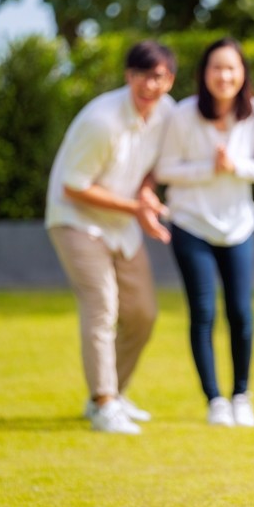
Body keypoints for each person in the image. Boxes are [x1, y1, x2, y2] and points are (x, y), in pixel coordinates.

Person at [45, 40, 177, 435]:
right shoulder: (101, 121)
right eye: (139, 74)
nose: (147, 84)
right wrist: (136, 210)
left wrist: (147, 194)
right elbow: (73, 186)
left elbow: (152, 169)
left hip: (121, 223)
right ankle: (103, 403)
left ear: (169, 80)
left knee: (142, 313)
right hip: (75, 220)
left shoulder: (166, 114)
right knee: (102, 305)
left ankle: (111, 394)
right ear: (127, 76)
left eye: (156, 76)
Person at [155, 37, 254, 427]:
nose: (224, 75)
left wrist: (236, 167)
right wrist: (207, 169)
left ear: (242, 73)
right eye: (216, 67)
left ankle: (241, 395)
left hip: (237, 226)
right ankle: (214, 400)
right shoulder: (183, 114)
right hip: (189, 223)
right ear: (204, 74)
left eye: (231, 68)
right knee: (203, 312)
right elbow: (164, 170)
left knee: (241, 313)